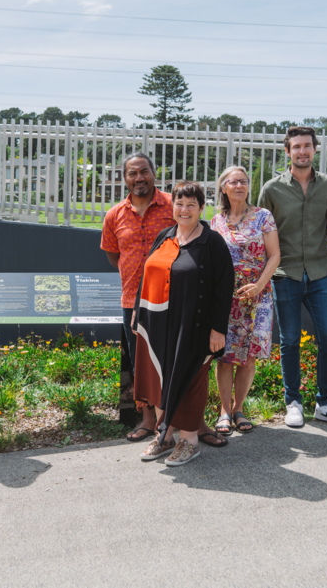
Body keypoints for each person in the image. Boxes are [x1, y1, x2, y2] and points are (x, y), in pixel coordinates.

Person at [258, 126, 327, 429]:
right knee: (289, 341)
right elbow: (263, 231)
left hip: (320, 271)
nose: (302, 151)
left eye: (307, 146)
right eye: (296, 146)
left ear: (315, 150)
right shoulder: (271, 189)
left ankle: (324, 403)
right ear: (287, 151)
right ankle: (293, 402)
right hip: (285, 273)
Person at [133, 181, 234, 466]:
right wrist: (137, 313)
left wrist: (218, 329)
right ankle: (164, 436)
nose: (184, 209)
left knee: (190, 381)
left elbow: (223, 288)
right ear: (172, 207)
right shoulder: (166, 236)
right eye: (179, 203)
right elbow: (147, 273)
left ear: (202, 208)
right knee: (159, 378)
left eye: (191, 204)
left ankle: (189, 441)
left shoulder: (212, 242)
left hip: (195, 327)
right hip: (158, 323)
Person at [100, 152, 175, 443]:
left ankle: (174, 417)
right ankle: (147, 420)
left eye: (144, 172)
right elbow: (113, 255)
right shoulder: (114, 215)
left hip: (170, 297)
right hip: (133, 300)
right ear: (125, 179)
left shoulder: (172, 205)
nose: (139, 178)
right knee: (140, 363)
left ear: (154, 174)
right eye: (133, 173)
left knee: (171, 359)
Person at [210, 166, 280, 435]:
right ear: (223, 187)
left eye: (244, 181)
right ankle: (224, 411)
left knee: (249, 358)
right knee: (225, 356)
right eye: (233, 181)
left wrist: (259, 285)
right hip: (225, 299)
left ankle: (239, 409)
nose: (240, 185)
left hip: (257, 297)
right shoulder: (216, 221)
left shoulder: (263, 216)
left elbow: (274, 256)